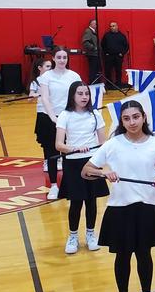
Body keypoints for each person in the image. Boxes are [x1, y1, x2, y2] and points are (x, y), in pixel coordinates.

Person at [83, 101, 155, 292]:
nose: (132, 122)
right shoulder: (113, 144)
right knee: (122, 255)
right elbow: (86, 171)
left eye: (135, 117)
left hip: (147, 207)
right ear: (121, 121)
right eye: (126, 118)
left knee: (144, 254)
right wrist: (103, 173)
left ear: (143, 117)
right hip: (120, 209)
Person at [55, 81, 109, 254]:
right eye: (80, 93)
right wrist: (74, 148)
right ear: (72, 95)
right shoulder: (65, 115)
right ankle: (73, 237)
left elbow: (103, 142)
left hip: (92, 162)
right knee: (76, 202)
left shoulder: (95, 115)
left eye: (86, 94)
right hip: (73, 163)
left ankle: (91, 234)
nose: (84, 97)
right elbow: (58, 145)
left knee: (91, 201)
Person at [37, 47, 82, 200]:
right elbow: (45, 98)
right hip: (51, 118)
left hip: (69, 118)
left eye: (64, 57)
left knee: (69, 153)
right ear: (53, 58)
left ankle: (69, 186)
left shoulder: (74, 76)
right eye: (59, 57)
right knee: (52, 153)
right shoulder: (46, 76)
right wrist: (53, 117)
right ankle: (54, 186)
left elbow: (78, 96)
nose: (62, 60)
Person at [29, 59, 53, 172]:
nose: (50, 68)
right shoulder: (36, 82)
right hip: (42, 113)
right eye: (47, 66)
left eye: (51, 66)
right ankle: (47, 160)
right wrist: (34, 95)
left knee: (58, 138)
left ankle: (58, 159)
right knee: (46, 140)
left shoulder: (54, 80)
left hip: (54, 112)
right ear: (40, 68)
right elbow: (30, 97)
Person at [101, 22, 129, 87]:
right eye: (110, 26)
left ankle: (118, 83)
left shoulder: (121, 36)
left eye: (113, 26)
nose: (112, 27)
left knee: (118, 70)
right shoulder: (107, 35)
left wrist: (122, 53)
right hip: (109, 56)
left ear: (117, 26)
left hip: (118, 56)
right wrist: (106, 53)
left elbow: (126, 46)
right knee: (108, 70)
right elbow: (102, 45)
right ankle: (109, 84)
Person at [81, 19, 100, 83]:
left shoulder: (93, 31)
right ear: (91, 24)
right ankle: (92, 83)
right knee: (93, 70)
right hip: (92, 54)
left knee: (96, 70)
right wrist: (94, 48)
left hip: (95, 54)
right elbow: (85, 42)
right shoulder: (88, 31)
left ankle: (95, 83)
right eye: (95, 24)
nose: (96, 25)